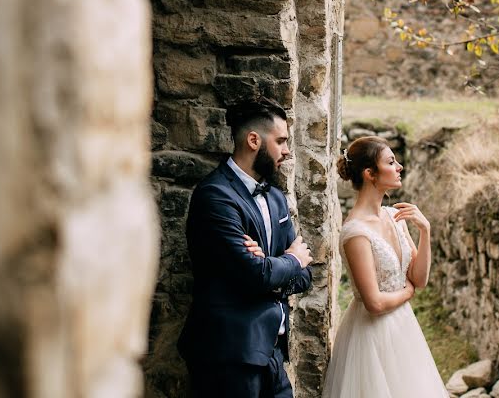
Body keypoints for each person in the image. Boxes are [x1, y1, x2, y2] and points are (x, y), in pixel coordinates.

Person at [178, 97, 314, 398]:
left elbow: (305, 276)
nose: (287, 150)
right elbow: (259, 274)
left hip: (273, 355)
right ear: (254, 140)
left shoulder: (276, 197)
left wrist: (270, 264)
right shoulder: (215, 196)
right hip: (228, 355)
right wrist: (287, 261)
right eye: (280, 141)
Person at [322, 136, 448, 398]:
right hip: (372, 336)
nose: (399, 166)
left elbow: (419, 278)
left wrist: (425, 231)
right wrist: (407, 294)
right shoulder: (355, 231)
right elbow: (375, 303)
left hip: (403, 329)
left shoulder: (395, 216)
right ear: (370, 173)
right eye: (391, 162)